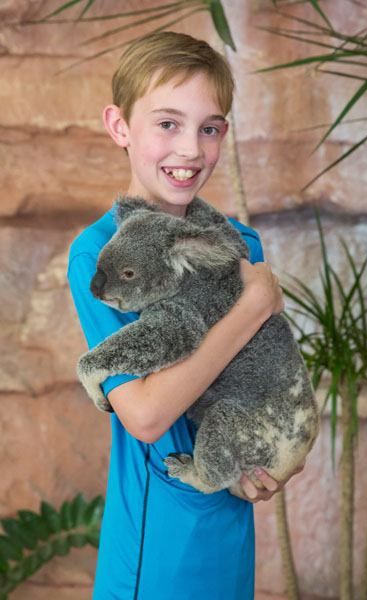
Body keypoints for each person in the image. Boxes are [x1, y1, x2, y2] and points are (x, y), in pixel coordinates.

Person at [67, 31, 301, 600]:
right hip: (156, 537)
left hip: (228, 518)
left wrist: (279, 459)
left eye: (210, 128)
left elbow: (267, 381)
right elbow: (145, 417)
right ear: (120, 126)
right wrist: (251, 308)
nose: (191, 150)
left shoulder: (238, 243)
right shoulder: (96, 250)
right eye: (168, 124)